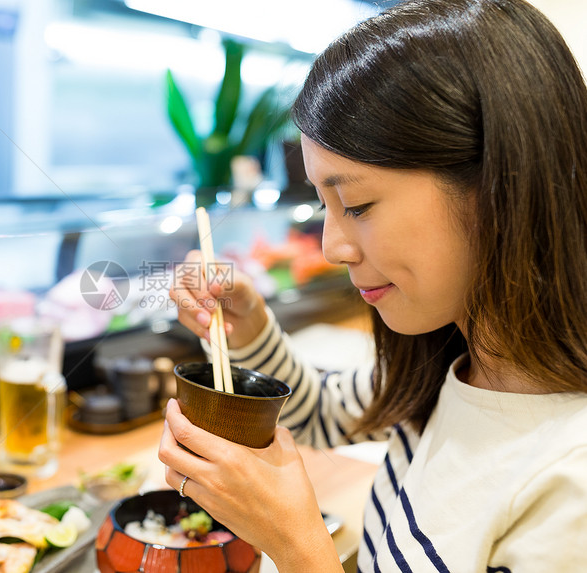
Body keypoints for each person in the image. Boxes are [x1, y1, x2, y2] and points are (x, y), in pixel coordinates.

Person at [160, 0, 587, 571]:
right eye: (324, 205)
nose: (334, 247)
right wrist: (253, 329)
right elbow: (318, 415)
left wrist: (298, 547)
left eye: (357, 204)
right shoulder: (452, 355)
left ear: (497, 183)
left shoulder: (568, 482)